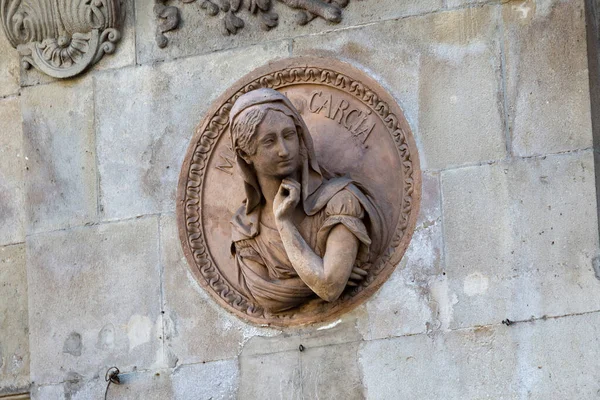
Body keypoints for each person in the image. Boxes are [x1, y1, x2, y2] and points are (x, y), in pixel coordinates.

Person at [229, 88, 387, 313]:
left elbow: (329, 288)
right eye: (269, 141)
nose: (283, 150)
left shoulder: (340, 199)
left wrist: (284, 224)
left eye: (289, 135)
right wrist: (317, 277)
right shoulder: (245, 227)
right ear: (246, 155)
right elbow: (266, 297)